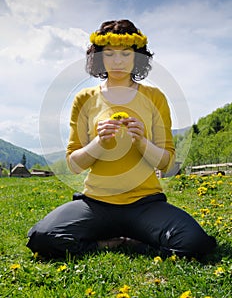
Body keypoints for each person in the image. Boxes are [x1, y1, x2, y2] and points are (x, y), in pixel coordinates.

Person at [27, 19, 216, 259]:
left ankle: (137, 242)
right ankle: (108, 244)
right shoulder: (84, 99)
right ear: (99, 58)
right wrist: (99, 144)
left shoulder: (155, 97)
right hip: (95, 204)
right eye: (109, 54)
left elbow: (167, 164)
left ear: (137, 57)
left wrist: (142, 142)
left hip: (146, 204)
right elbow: (74, 165)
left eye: (126, 54)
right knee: (43, 237)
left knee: (194, 242)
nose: (117, 61)